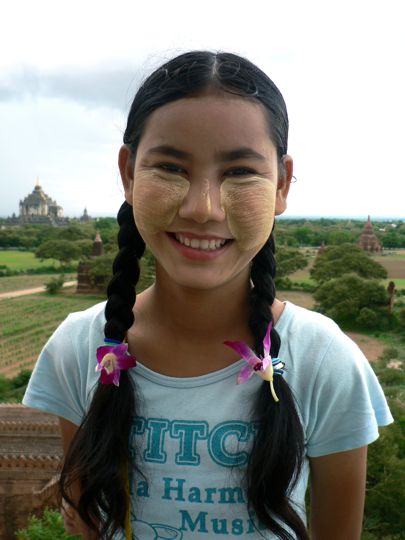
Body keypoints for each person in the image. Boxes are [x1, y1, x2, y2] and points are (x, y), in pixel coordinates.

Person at [23, 51, 393, 540]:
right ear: (129, 173)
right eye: (171, 167)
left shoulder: (324, 361)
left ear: (282, 184)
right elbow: (88, 522)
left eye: (240, 172)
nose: (203, 208)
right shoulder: (78, 349)